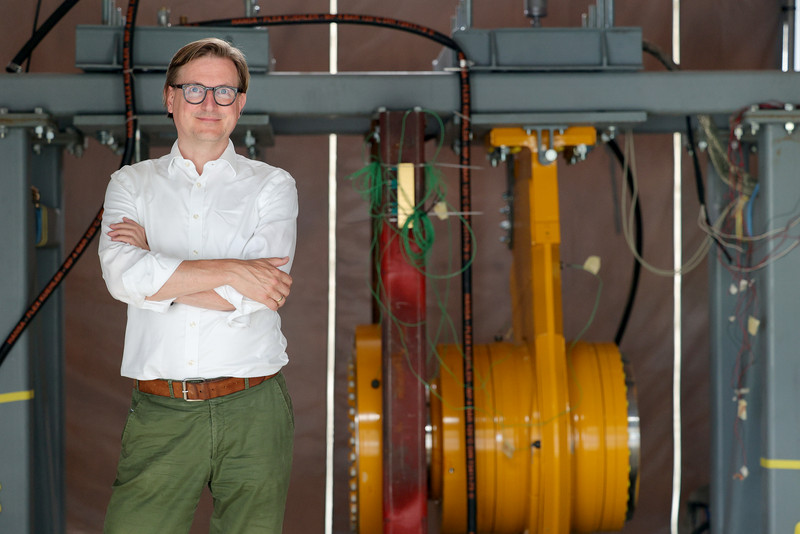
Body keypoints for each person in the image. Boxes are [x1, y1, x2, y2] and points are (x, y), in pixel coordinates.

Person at [98, 37, 298, 533]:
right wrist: (233, 270)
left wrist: (155, 272)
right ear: (169, 98)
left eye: (224, 92)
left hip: (254, 405)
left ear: (241, 103)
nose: (209, 104)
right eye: (194, 90)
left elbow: (260, 293)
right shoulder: (130, 184)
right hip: (161, 409)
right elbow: (121, 277)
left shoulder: (273, 185)